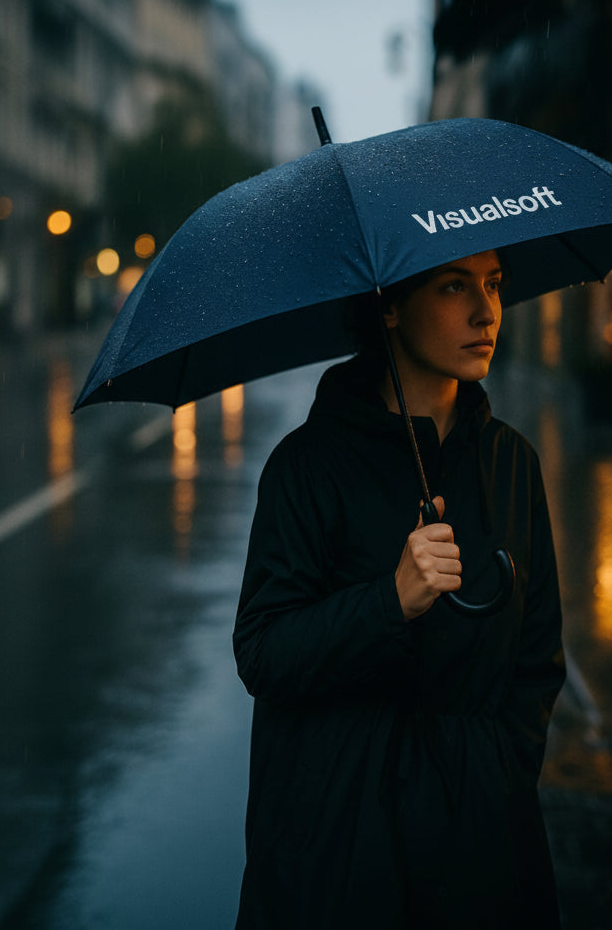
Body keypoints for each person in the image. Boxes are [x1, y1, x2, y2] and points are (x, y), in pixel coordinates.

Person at [232, 249, 565, 928]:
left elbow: (538, 659)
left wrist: (494, 777)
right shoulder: (307, 468)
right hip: (338, 852)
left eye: (494, 285)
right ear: (388, 307)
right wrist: (390, 601)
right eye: (453, 287)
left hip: (480, 856)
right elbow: (264, 652)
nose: (486, 311)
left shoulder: (511, 464)